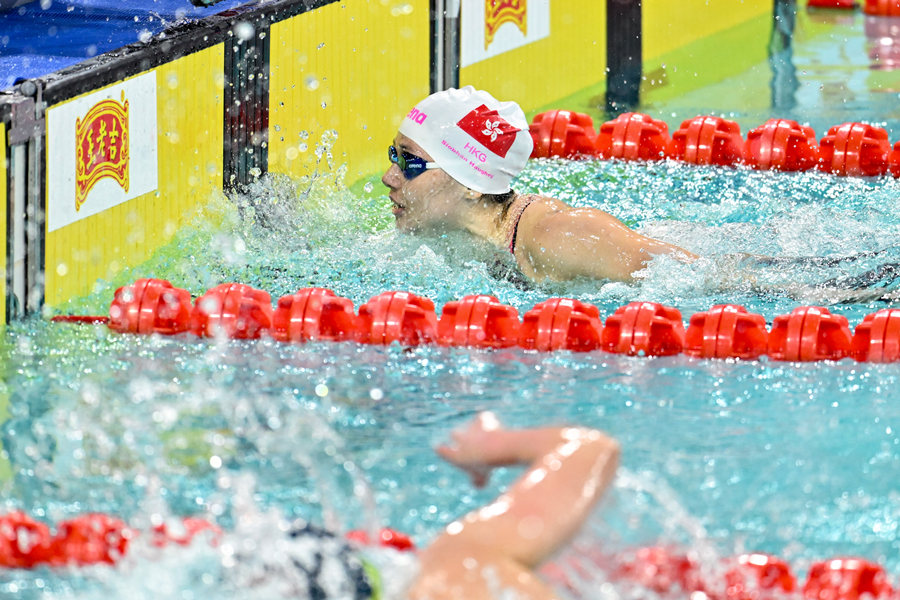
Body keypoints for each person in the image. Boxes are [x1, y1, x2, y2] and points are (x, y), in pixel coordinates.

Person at [382, 86, 697, 284]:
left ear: (472, 184)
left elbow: (697, 274)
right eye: (393, 154)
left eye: (409, 162)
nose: (389, 177)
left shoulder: (559, 235)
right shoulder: (445, 233)